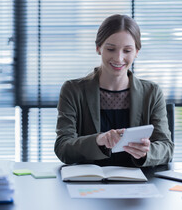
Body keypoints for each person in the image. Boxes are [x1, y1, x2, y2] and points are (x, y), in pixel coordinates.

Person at [54, 14, 174, 167]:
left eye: (127, 50)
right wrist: (98, 140)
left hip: (138, 184)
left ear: (136, 52)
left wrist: (146, 153)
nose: (118, 58)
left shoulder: (152, 92)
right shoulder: (73, 90)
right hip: (88, 182)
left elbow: (166, 147)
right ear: (98, 48)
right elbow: (63, 147)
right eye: (111, 49)